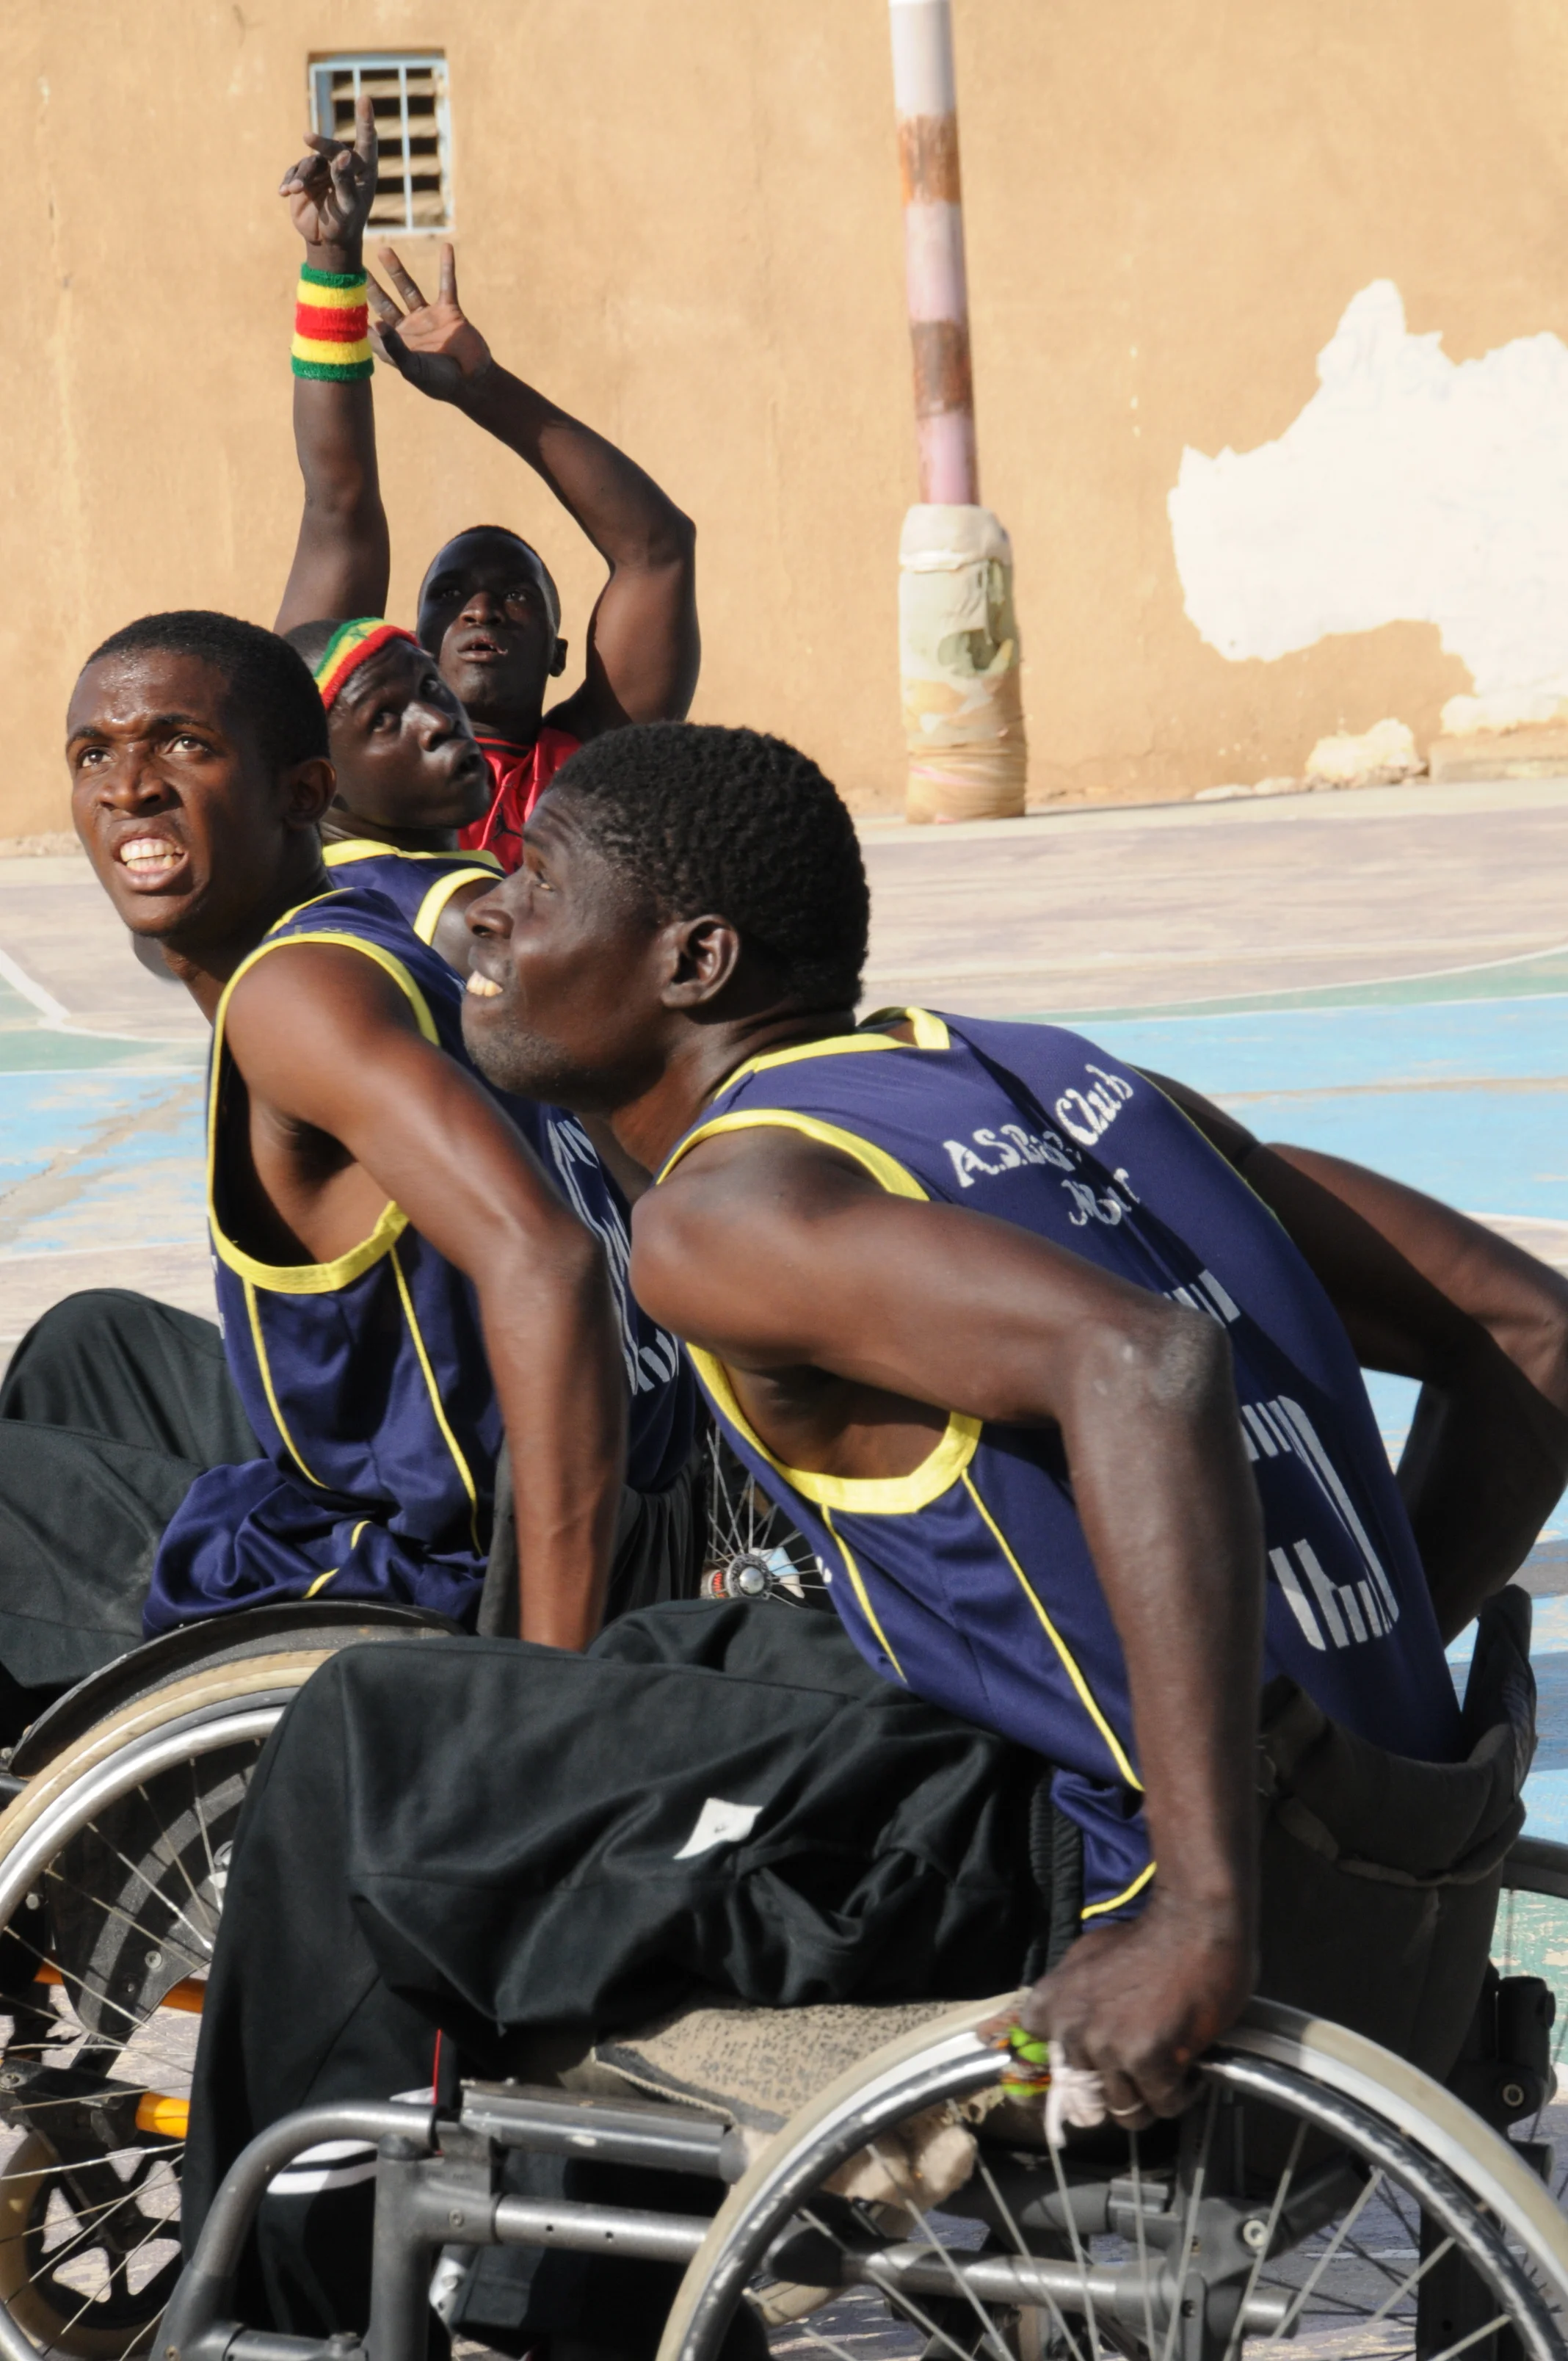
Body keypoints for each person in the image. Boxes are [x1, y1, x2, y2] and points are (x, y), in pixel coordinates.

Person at [182, 722, 1564, 2346]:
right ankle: (579, 2308)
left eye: (535, 883)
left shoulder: (725, 1220)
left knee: (364, 1746)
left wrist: (1200, 1900)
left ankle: (288, 2321)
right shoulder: (1058, 1080)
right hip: (1392, 1880)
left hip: (1109, 1876)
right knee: (662, 1667)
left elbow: (1143, 1366)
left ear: (694, 963)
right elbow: (1535, 1332)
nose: (481, 910)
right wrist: (1333, 1692)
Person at [0, 612, 696, 1728]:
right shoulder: (380, 927)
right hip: (630, 1502)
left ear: (304, 792)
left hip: (449, 1570)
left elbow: (550, 1261)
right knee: (95, 1347)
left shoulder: (296, 997)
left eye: (182, 744)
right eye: (95, 754)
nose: (129, 787)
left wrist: (552, 1691)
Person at [273, 98, 699, 871]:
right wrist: (332, 258)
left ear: (560, 653)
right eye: (449, 595)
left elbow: (658, 550)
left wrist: (484, 389)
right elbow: (338, 508)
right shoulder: (339, 772)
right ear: (412, 646)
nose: (480, 608)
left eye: (517, 595)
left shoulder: (591, 767)